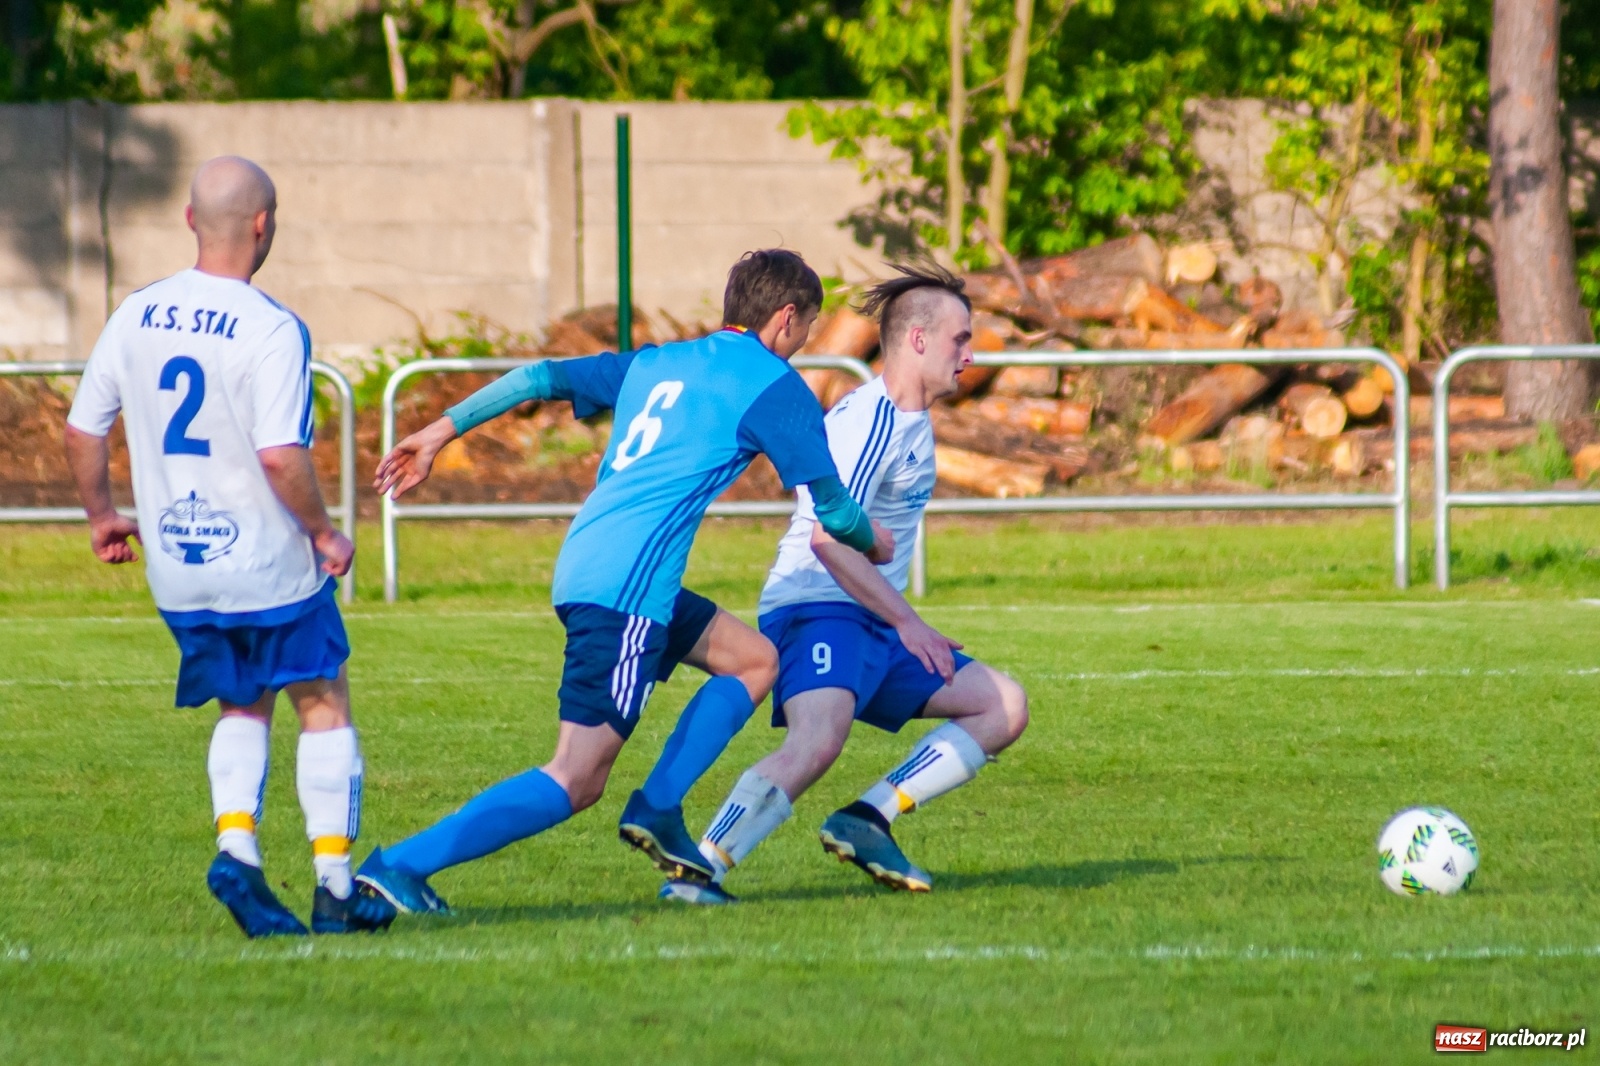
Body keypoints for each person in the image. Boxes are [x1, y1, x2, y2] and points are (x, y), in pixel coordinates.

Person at [354, 250, 894, 916]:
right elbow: (836, 511)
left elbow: (535, 377)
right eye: (807, 327)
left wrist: (438, 432)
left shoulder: (658, 360)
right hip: (627, 594)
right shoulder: (774, 385)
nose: (804, 340)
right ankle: (399, 866)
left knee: (754, 661)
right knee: (576, 777)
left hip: (590, 565)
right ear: (786, 317)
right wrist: (878, 540)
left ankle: (661, 808)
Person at [64, 156, 389, 938]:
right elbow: (281, 455)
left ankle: (237, 849)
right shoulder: (272, 327)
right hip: (265, 561)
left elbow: (83, 427)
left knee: (243, 699)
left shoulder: (136, 311)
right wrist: (322, 531)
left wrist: (103, 515)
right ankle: (335, 885)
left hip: (179, 567)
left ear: (188, 221)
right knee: (322, 695)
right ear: (263, 225)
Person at [662, 263, 1029, 905]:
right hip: (817, 605)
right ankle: (699, 871)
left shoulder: (912, 420)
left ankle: (868, 818)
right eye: (959, 339)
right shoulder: (871, 419)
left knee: (1002, 706)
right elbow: (828, 541)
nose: (970, 355)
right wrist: (910, 622)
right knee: (818, 741)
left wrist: (897, 621)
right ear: (917, 340)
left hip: (871, 614)